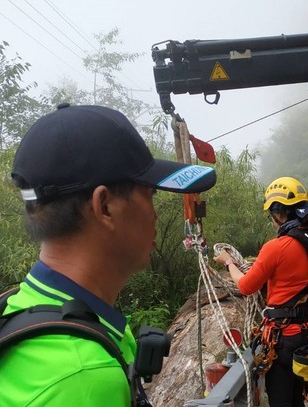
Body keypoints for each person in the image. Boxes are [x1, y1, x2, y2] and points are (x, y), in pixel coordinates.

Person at [0, 104, 217, 406]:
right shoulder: (83, 377)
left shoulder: (22, 308)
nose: (154, 215)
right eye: (150, 196)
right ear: (105, 207)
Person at [214, 176, 308, 407]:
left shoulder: (275, 247)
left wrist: (229, 263)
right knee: (298, 393)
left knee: (280, 398)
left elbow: (247, 286)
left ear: (278, 214)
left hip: (284, 337)